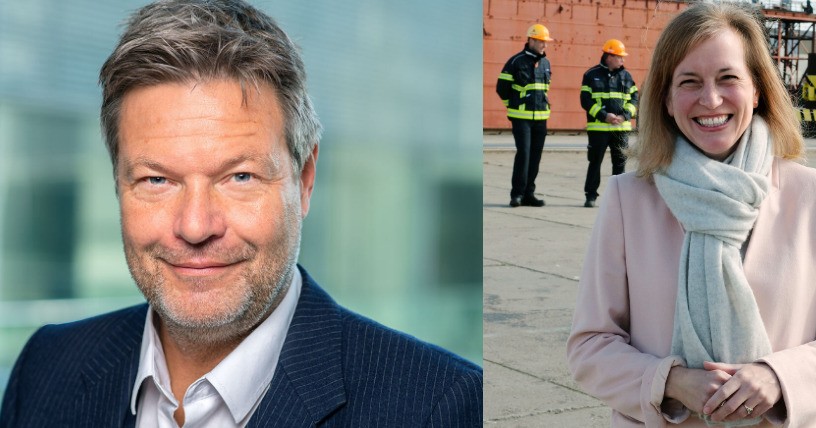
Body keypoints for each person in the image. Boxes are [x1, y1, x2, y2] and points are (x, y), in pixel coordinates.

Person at [0, 1, 482, 427]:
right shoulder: (46, 368)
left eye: (240, 177)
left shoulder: (438, 406)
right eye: (156, 180)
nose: (195, 226)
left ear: (305, 179)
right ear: (117, 184)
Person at [567, 2, 816, 427]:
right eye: (689, 82)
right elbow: (590, 346)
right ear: (667, 99)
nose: (710, 99)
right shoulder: (627, 198)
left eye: (728, 78)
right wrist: (670, 382)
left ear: (757, 90)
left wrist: (778, 377)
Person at [496, 24, 553, 208]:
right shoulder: (515, 62)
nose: (544, 45)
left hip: (541, 118)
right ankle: (517, 194)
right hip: (521, 117)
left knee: (535, 156)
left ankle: (529, 194)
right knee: (524, 154)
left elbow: (544, 89)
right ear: (531, 40)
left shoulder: (546, 63)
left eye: (545, 42)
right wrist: (512, 105)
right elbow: (501, 88)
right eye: (541, 42)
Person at [580, 39, 638, 208]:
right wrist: (604, 116)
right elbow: (585, 100)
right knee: (595, 162)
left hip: (620, 128)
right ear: (609, 57)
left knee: (620, 164)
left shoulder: (626, 76)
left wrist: (624, 116)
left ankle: (618, 199)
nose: (622, 60)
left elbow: (634, 99)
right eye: (619, 57)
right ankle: (590, 196)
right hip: (598, 129)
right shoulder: (591, 75)